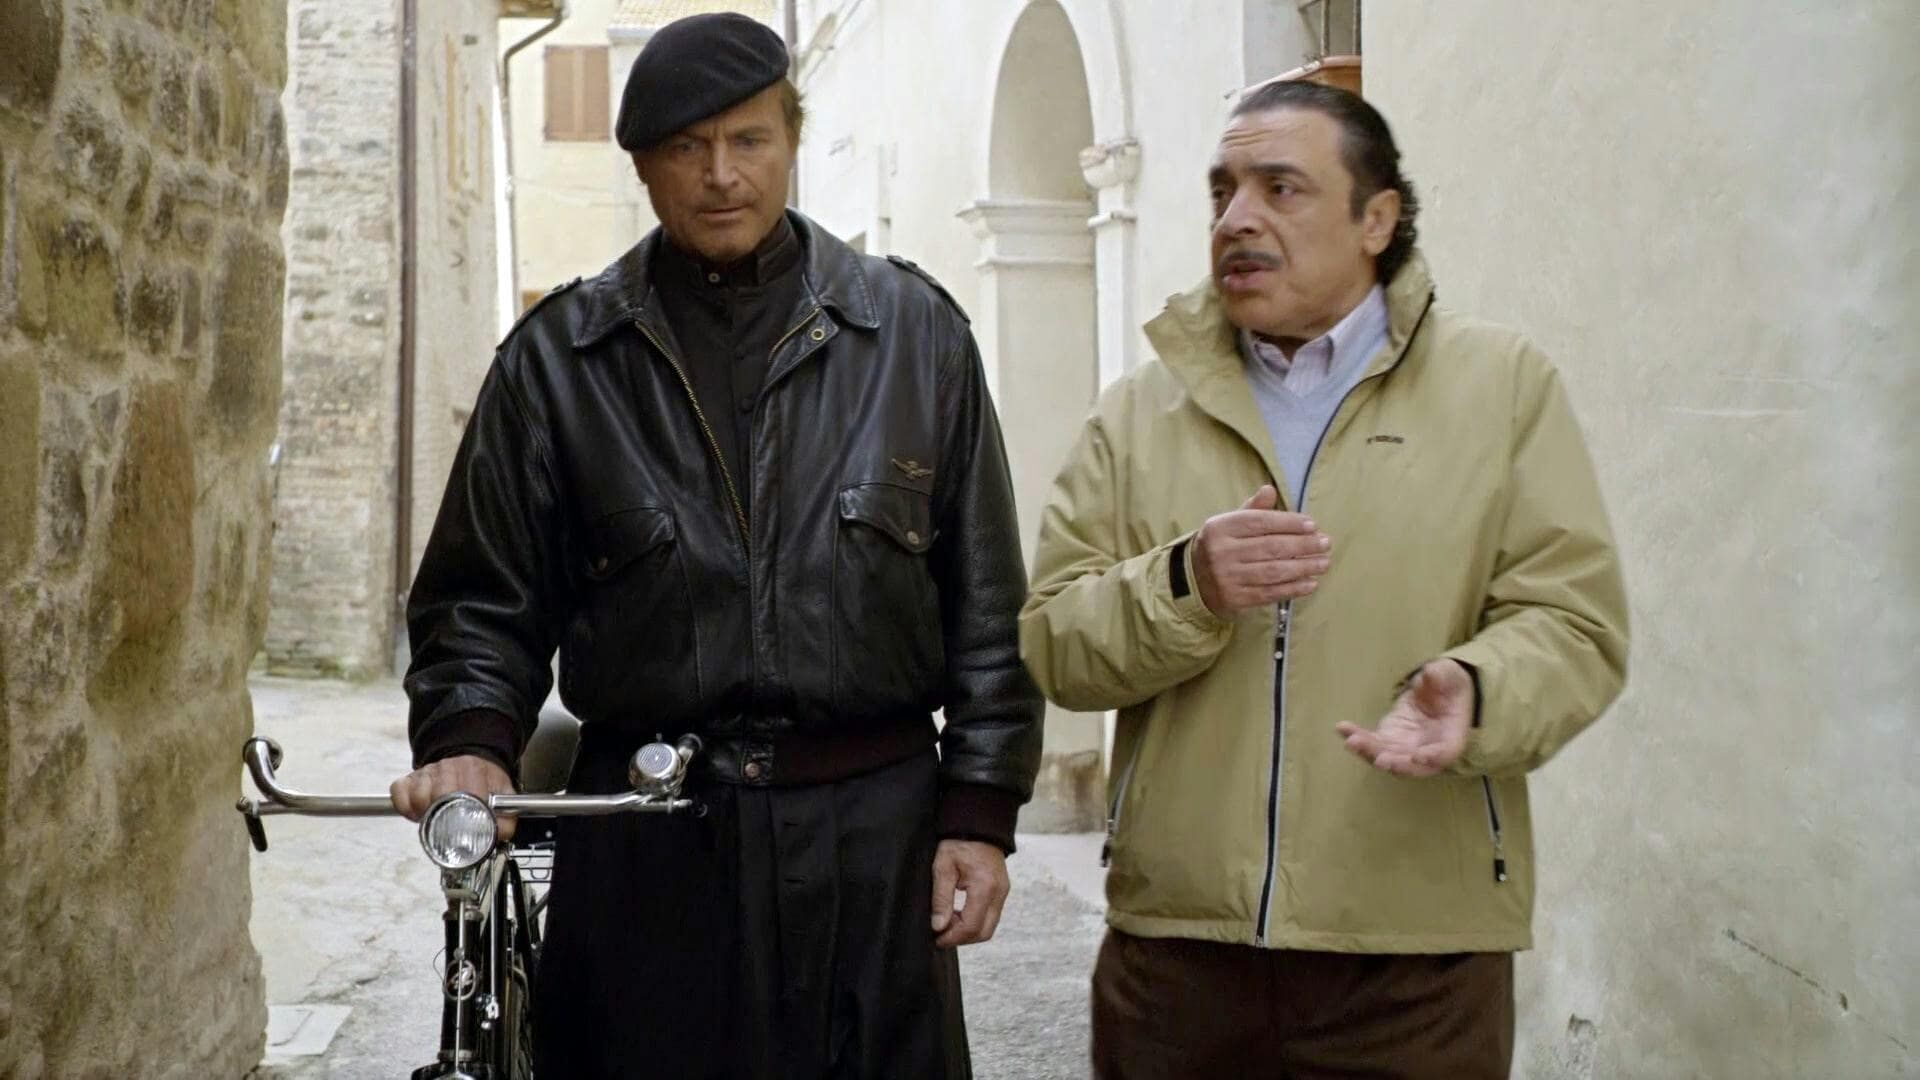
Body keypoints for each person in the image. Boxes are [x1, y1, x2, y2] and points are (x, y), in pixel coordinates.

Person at [387, 14, 1042, 1078]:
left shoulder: (916, 338)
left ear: (792, 140)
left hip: (870, 846)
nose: (722, 174)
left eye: (748, 139)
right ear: (644, 167)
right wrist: (470, 737)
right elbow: (478, 601)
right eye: (688, 148)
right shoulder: (558, 364)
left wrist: (980, 810)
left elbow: (988, 606)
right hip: (647, 849)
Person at [1019, 79, 1629, 1079]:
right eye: (1222, 191)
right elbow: (1055, 641)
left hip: (1414, 965)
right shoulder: (1137, 413)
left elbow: (1574, 622)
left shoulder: (1503, 388)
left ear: (1375, 220)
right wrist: (1185, 584)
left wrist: (1479, 691)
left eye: (1281, 188)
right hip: (1178, 960)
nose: (1238, 218)